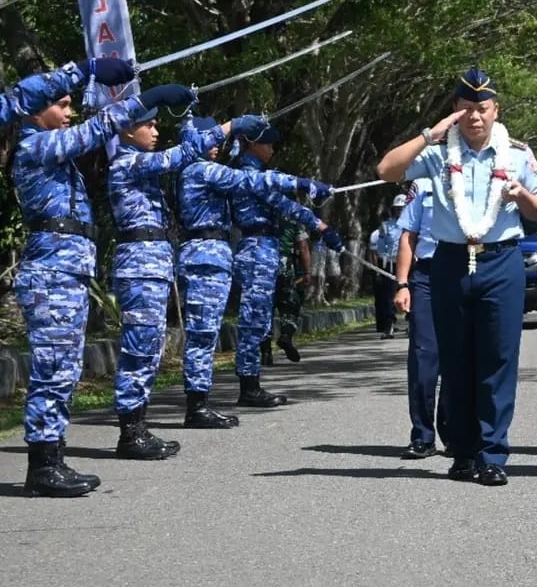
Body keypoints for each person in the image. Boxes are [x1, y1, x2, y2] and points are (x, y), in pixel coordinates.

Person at [12, 59, 185, 496]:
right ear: (36, 110)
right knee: (54, 370)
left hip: (66, 272)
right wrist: (143, 100)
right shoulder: (34, 147)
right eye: (63, 104)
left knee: (63, 369)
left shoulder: (54, 151)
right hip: (52, 272)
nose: (70, 112)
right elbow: (92, 132)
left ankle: (50, 461)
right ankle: (43, 466)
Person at [376, 66, 537, 487]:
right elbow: (386, 169)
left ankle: (493, 453)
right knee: (455, 361)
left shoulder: (517, 154)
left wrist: (519, 194)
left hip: (502, 262)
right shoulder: (437, 154)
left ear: (495, 111)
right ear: (455, 110)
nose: (475, 117)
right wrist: (430, 133)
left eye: (483, 109)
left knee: (498, 359)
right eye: (466, 109)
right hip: (451, 262)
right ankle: (463, 451)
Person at [106, 97, 263, 459]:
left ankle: (136, 429)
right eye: (150, 124)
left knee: (148, 349)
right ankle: (131, 433)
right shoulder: (128, 162)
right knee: (139, 349)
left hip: (153, 263)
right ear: (128, 129)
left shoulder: (141, 164)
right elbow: (180, 156)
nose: (156, 130)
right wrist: (229, 126)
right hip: (140, 264)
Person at [177, 115, 331, 428]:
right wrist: (302, 185)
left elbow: (276, 199)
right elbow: (260, 186)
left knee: (235, 324)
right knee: (221, 328)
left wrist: (318, 223)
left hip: (227, 250)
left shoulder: (213, 169)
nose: (215, 146)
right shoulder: (202, 169)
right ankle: (216, 397)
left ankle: (225, 393)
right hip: (239, 248)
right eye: (207, 140)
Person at [229, 127, 343, 408]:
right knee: (253, 320)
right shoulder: (246, 173)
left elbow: (283, 204)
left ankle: (251, 382)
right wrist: (304, 184)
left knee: (260, 319)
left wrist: (320, 225)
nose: (272, 149)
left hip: (265, 247)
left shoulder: (260, 178)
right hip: (255, 247)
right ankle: (248, 385)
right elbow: (271, 186)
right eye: (267, 143)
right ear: (252, 145)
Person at [394, 178, 446, 459]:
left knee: (460, 357)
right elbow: (408, 235)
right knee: (424, 356)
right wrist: (403, 284)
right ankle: (423, 436)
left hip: (467, 269)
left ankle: (455, 432)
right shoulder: (423, 183)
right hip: (426, 273)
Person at [274, 216, 312, 362]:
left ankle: (265, 351)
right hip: (285, 268)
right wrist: (307, 272)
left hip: (261, 266)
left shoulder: (259, 215)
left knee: (263, 308)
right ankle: (286, 335)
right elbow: (303, 247)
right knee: (290, 305)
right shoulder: (293, 219)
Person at [370, 195, 406, 339]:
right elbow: (379, 246)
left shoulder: (414, 224)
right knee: (388, 296)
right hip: (391, 264)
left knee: (413, 293)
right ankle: (389, 325)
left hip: (410, 263)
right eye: (398, 209)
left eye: (403, 209)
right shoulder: (385, 226)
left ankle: (413, 323)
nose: (400, 211)